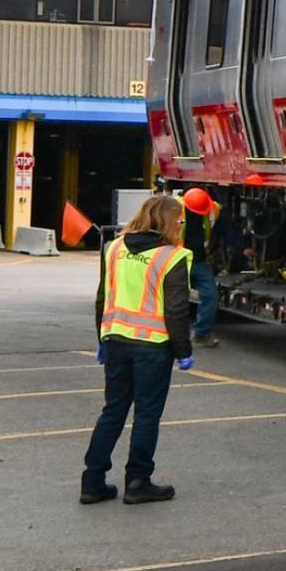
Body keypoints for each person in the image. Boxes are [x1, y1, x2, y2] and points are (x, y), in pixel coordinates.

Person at [81, 194, 197, 504]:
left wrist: (101, 339)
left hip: (116, 340)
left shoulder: (114, 248)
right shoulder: (173, 256)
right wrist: (184, 351)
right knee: (147, 414)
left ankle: (92, 481)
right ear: (170, 221)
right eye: (180, 221)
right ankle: (138, 480)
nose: (182, 226)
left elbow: (101, 297)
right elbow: (176, 310)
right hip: (153, 348)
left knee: (113, 411)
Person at [181, 186, 222, 347]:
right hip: (177, 261)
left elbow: (226, 230)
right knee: (175, 301)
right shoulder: (174, 210)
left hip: (198, 260)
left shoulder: (213, 209)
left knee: (210, 296)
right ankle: (172, 337)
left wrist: (242, 247)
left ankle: (202, 334)